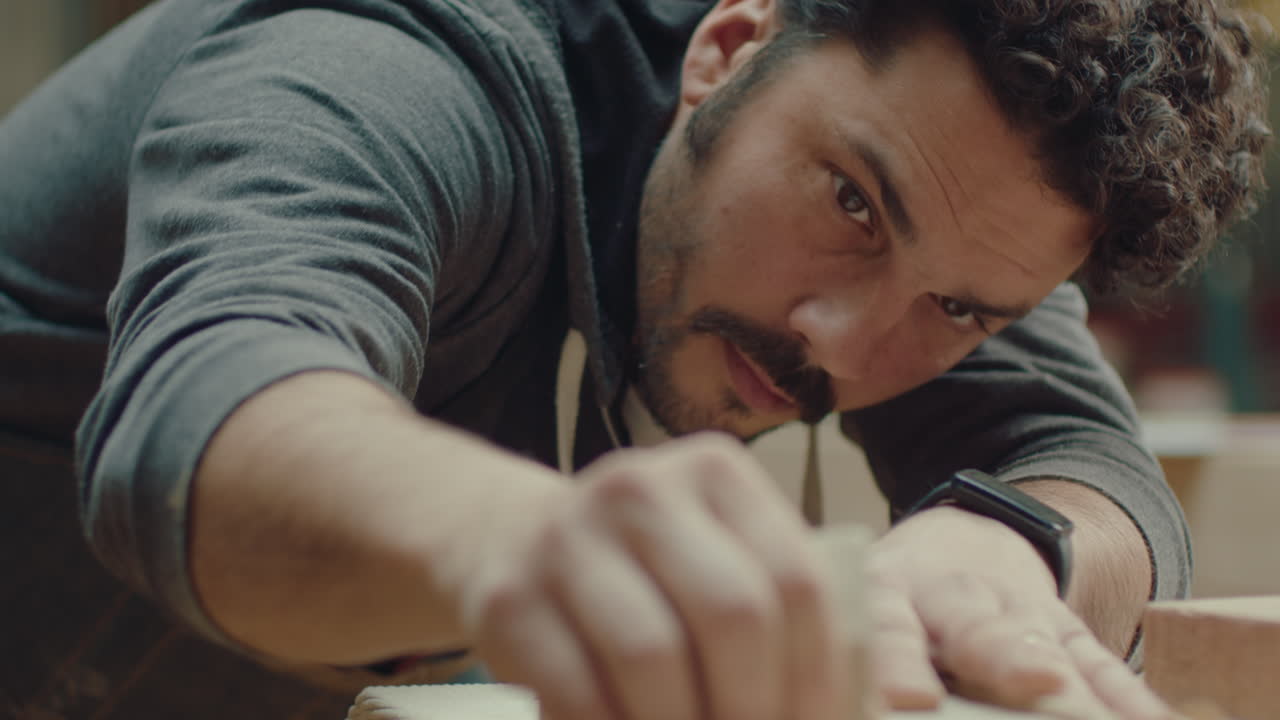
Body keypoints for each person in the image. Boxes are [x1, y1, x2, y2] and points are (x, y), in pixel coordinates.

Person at [0, 0, 1267, 717]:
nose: (843, 342)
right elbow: (209, 407)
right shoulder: (394, 62)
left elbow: (1086, 464)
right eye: (847, 206)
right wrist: (536, 545)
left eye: (961, 312)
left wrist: (997, 551)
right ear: (725, 50)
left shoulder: (948, 217)